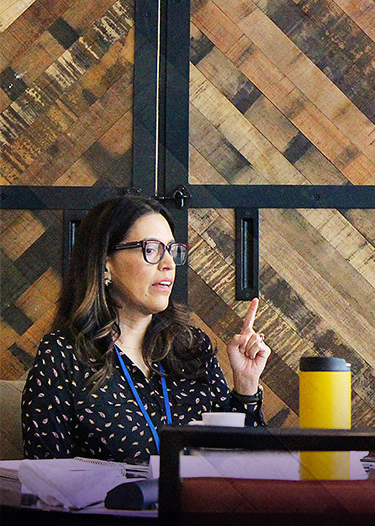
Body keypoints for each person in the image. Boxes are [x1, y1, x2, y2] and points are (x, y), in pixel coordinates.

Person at [21, 195, 271, 463]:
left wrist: (246, 386)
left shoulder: (192, 347)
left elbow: (244, 464)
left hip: (198, 504)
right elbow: (44, 479)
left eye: (172, 250)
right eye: (151, 249)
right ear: (105, 263)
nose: (169, 264)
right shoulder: (63, 354)